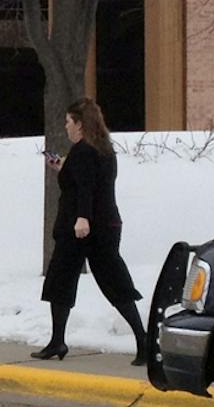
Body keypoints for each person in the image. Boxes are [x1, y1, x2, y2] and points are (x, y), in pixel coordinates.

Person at [33, 98, 150, 365]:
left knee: (61, 280)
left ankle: (58, 341)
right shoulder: (104, 149)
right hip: (107, 225)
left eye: (68, 122)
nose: (66, 127)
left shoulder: (83, 150)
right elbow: (89, 181)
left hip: (82, 229)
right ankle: (141, 339)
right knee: (114, 282)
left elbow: (86, 187)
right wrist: (64, 168)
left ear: (80, 124)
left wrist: (82, 218)